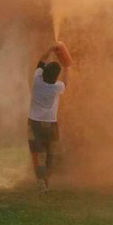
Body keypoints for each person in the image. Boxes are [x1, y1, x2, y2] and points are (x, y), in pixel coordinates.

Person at [28, 44, 71, 193]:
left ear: (44, 72)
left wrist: (51, 49)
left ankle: (41, 182)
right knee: (50, 154)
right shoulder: (56, 87)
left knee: (37, 153)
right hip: (51, 125)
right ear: (55, 78)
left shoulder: (37, 80)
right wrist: (67, 67)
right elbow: (66, 83)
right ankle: (46, 179)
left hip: (34, 123)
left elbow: (41, 60)